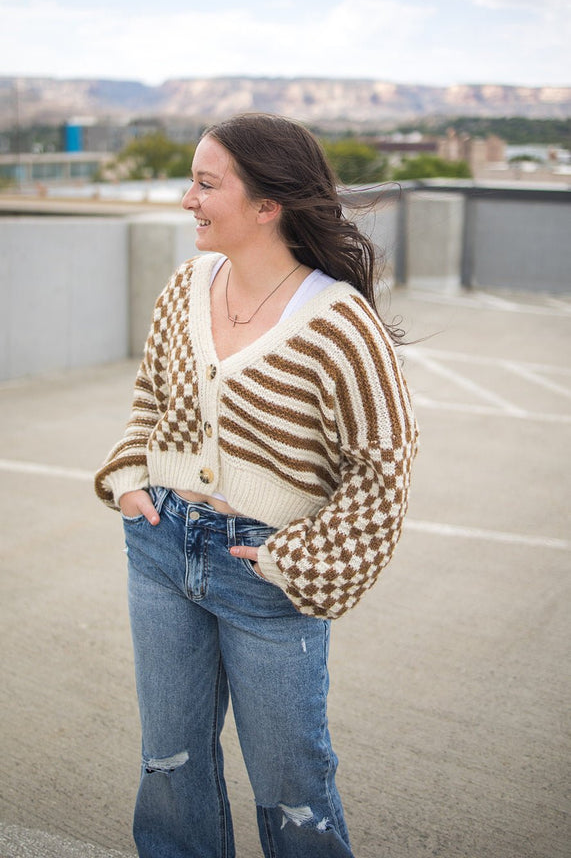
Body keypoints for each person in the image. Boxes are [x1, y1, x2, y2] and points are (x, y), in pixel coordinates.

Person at [95, 112, 418, 858]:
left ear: (268, 204)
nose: (187, 199)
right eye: (190, 182)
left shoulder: (340, 325)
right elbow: (149, 398)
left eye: (206, 185)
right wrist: (129, 479)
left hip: (267, 574)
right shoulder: (185, 287)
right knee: (169, 761)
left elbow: (383, 473)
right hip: (160, 546)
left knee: (290, 787)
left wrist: (296, 562)